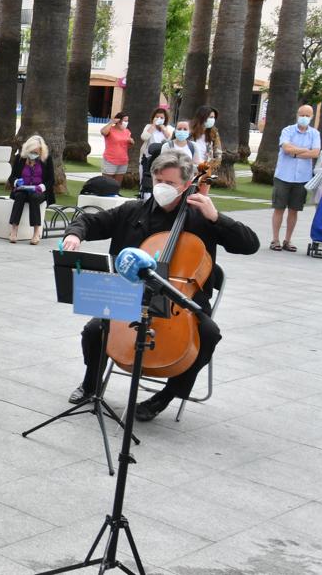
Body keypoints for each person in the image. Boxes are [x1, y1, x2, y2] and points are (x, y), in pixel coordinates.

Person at [62, 151, 259, 421]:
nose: (161, 187)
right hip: (131, 294)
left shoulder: (202, 217)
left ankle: (164, 398)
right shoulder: (133, 211)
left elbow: (250, 244)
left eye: (169, 182)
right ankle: (91, 385)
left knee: (209, 334)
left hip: (183, 300)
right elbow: (88, 220)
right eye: (157, 180)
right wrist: (75, 234)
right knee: (95, 329)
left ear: (187, 183)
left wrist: (217, 218)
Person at [270, 104, 322, 252]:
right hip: (283, 175)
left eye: (307, 115)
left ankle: (288, 240)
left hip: (302, 178)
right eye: (302, 114)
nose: (304, 118)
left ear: (312, 117)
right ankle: (275, 239)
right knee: (279, 208)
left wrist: (295, 152)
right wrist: (305, 150)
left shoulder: (315, 134)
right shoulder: (288, 130)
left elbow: (315, 153)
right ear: (297, 114)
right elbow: (286, 149)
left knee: (294, 209)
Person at [6, 134, 55, 245]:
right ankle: (13, 231)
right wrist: (16, 182)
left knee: (34, 197)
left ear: (41, 151)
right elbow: (12, 177)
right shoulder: (20, 158)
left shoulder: (47, 159)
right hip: (23, 189)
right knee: (19, 196)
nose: (33, 155)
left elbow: (51, 180)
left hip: (38, 191)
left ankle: (36, 233)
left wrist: (41, 187)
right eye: (31, 152)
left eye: (36, 152)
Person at [100, 112, 133, 185]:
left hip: (123, 160)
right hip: (110, 159)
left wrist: (131, 142)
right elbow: (103, 132)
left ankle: (115, 194)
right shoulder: (110, 129)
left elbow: (127, 145)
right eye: (124, 120)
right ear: (118, 120)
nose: (126, 122)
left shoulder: (127, 131)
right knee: (107, 182)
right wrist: (112, 122)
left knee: (117, 183)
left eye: (127, 121)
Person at [191, 105, 224, 170]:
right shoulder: (189, 131)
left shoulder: (214, 133)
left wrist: (212, 166)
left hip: (205, 169)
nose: (213, 120)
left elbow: (218, 152)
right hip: (190, 168)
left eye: (214, 117)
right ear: (202, 117)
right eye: (211, 117)